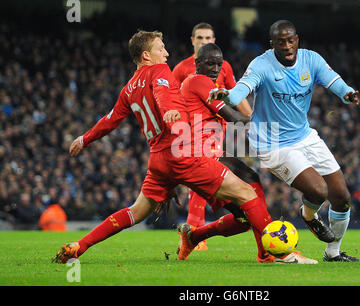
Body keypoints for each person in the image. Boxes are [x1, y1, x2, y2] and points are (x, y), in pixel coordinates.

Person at [52, 30, 272, 264]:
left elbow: (110, 119)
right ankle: (277, 254)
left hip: (158, 161)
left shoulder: (128, 88)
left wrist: (84, 139)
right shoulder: (159, 71)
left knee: (134, 212)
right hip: (183, 153)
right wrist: (171, 114)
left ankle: (80, 245)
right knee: (248, 193)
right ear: (146, 55)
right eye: (161, 48)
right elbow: (162, 94)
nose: (166, 53)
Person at [209, 20, 360, 262]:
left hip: (304, 135)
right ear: (273, 44)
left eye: (291, 41)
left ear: (297, 40)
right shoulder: (261, 64)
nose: (287, 46)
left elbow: (334, 81)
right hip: (271, 142)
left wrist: (347, 93)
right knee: (318, 190)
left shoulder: (311, 60)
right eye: (281, 42)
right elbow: (242, 88)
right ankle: (309, 215)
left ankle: (332, 253)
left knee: (342, 197)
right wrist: (228, 96)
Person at [177, 43, 317, 264]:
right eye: (209, 63)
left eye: (218, 64)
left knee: (245, 216)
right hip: (201, 157)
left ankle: (194, 236)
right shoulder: (199, 82)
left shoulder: (199, 84)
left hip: (205, 154)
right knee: (251, 191)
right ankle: (273, 252)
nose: (215, 68)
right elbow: (234, 118)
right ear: (197, 64)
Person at [173, 23, 253, 250]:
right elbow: (170, 98)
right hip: (193, 131)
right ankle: (195, 230)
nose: (204, 41)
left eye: (208, 37)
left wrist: (250, 118)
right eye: (200, 37)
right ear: (192, 40)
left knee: (211, 182)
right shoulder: (182, 69)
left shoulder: (223, 66)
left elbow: (236, 93)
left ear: (214, 39)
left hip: (221, 128)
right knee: (206, 177)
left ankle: (194, 233)